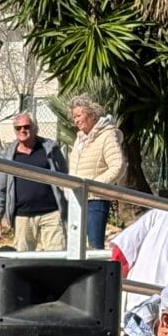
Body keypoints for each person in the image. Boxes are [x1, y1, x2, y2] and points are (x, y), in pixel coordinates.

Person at [0, 111, 68, 250]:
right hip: (22, 217)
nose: (22, 130)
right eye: (18, 128)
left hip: (51, 213)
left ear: (34, 127)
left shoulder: (50, 149)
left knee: (57, 258)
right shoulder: (8, 155)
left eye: (26, 126)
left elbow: (66, 178)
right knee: (23, 261)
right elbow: (1, 190)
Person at [68, 95, 128, 249]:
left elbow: (118, 165)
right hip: (77, 199)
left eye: (79, 115)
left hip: (96, 199)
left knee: (94, 246)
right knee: (76, 247)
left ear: (91, 114)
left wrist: (94, 185)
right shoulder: (79, 139)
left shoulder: (107, 135)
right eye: (74, 117)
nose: (76, 120)